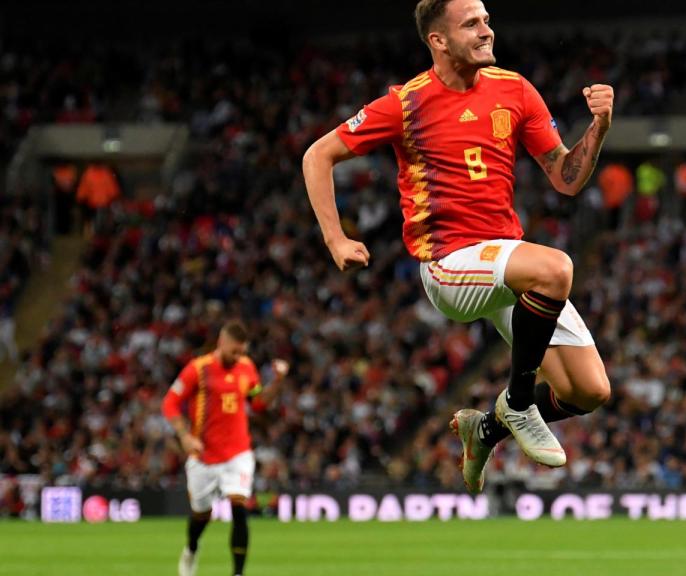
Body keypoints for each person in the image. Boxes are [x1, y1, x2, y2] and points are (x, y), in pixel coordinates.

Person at [302, 0, 613, 493]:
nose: (487, 29)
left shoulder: (514, 89)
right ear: (438, 41)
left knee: (589, 390)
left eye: (487, 19)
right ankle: (516, 400)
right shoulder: (406, 103)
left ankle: (484, 429)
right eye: (472, 23)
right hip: (448, 263)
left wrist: (597, 131)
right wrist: (336, 237)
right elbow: (318, 154)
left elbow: (565, 178)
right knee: (556, 268)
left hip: (505, 264)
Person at [161, 321, 289, 576]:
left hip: (238, 453)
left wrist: (278, 381)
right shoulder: (198, 369)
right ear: (222, 342)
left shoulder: (247, 367)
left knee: (239, 507)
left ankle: (238, 573)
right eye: (234, 352)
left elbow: (259, 403)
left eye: (242, 352)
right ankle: (191, 549)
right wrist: (185, 436)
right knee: (201, 515)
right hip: (204, 456)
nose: (238, 357)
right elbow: (170, 403)